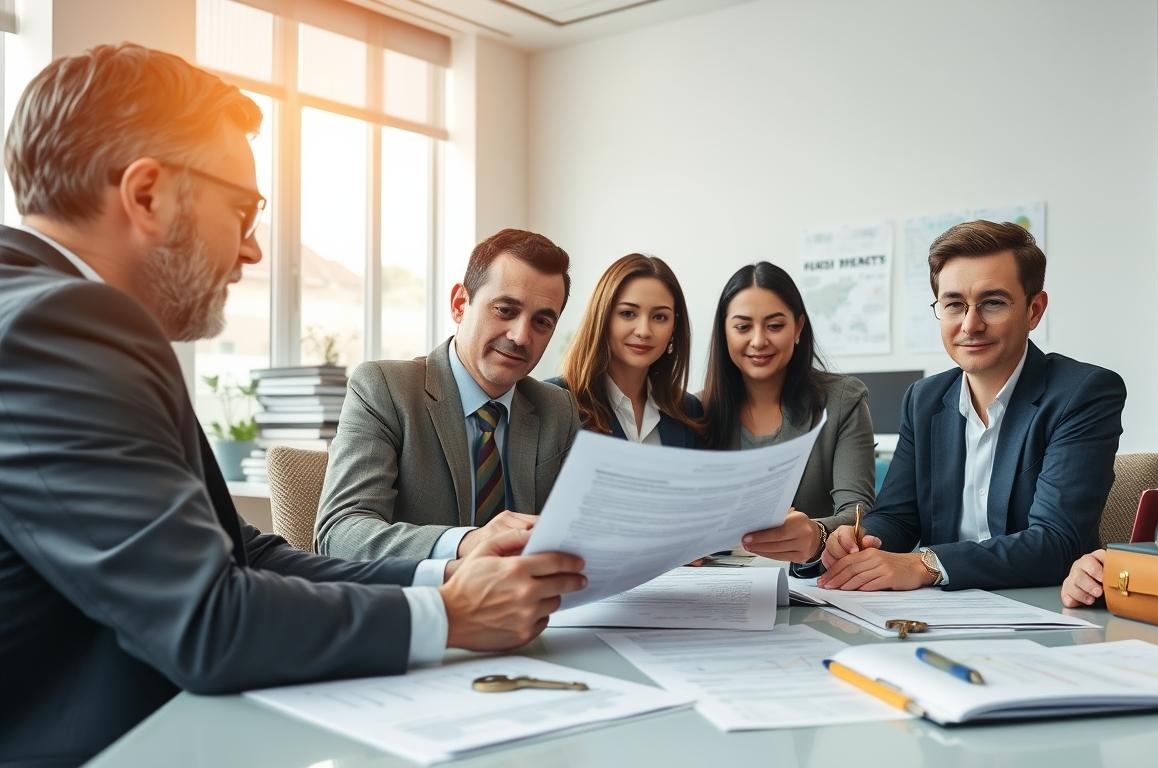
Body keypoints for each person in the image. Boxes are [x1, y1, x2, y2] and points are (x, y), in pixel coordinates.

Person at [0, 45, 584, 766]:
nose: (250, 250)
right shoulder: (53, 327)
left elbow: (242, 555)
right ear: (146, 194)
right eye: (242, 210)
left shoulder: (53, 317)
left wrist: (444, 575)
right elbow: (208, 620)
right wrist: (452, 614)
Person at [819, 220, 1125, 592]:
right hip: (943, 611)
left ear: (1034, 310)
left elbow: (1056, 541)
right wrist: (861, 542)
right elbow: (897, 517)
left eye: (992, 303)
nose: (970, 324)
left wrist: (925, 564)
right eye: (953, 305)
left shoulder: (1083, 392)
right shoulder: (923, 399)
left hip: (1042, 606)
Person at [316, 229, 582, 561]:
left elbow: (577, 532)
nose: (520, 336)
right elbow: (340, 533)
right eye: (505, 310)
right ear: (459, 304)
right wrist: (466, 543)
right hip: (422, 605)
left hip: (530, 607)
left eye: (542, 322)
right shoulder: (384, 388)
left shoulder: (557, 407)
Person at [701, 262, 875, 567]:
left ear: (797, 328)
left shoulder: (843, 400)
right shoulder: (696, 411)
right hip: (711, 585)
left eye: (775, 325)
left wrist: (815, 532)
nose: (758, 340)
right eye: (743, 327)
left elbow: (859, 514)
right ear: (724, 332)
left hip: (809, 585)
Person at [550, 253, 704, 447]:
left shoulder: (689, 410)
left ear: (674, 327)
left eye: (659, 317)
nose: (644, 331)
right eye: (628, 313)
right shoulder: (554, 403)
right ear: (602, 318)